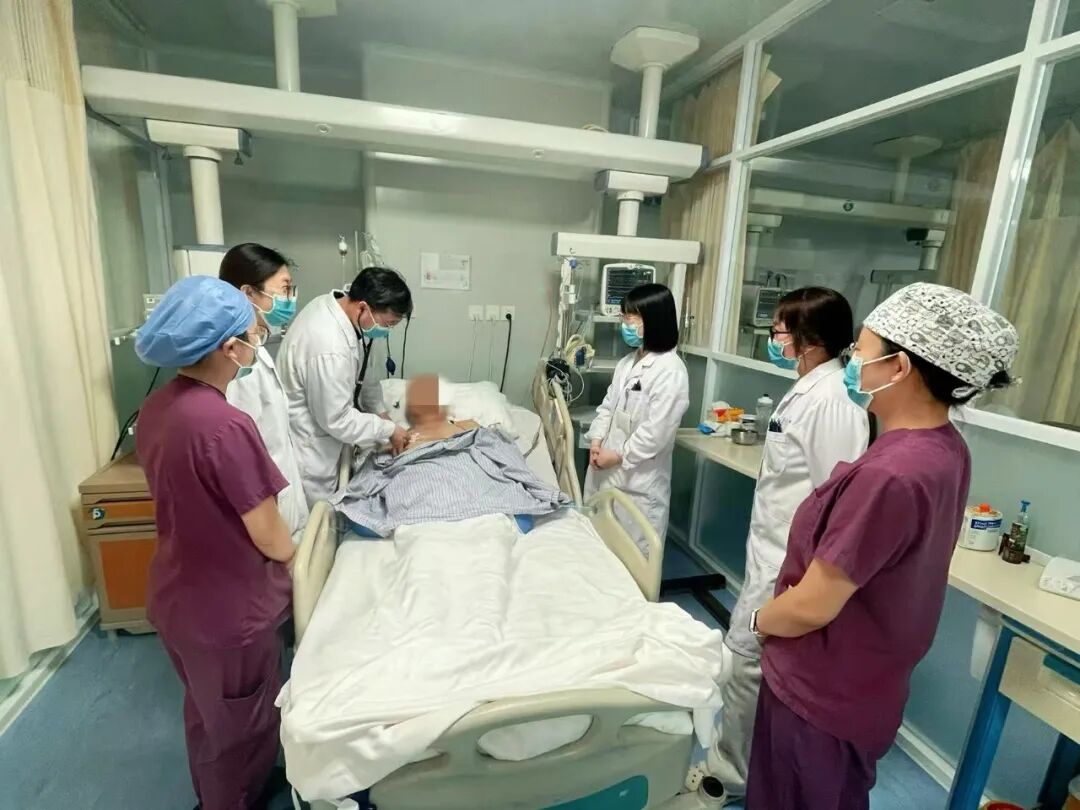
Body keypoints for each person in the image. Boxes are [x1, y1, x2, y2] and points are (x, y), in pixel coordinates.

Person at [745, 283, 1018, 809]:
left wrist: (759, 623)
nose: (851, 362)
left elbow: (813, 606)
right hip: (866, 680)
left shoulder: (890, 474)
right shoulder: (945, 449)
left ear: (899, 367)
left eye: (861, 351)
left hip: (819, 690)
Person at [691, 288, 870, 800]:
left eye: (778, 331)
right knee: (750, 662)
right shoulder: (808, 389)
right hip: (771, 548)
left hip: (789, 563)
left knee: (744, 661)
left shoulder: (833, 401)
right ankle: (746, 767)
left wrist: (807, 579)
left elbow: (835, 499)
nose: (772, 339)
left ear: (809, 339)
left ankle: (729, 776)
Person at [134, 275, 296, 810]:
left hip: (178, 596)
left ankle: (223, 792)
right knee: (239, 727)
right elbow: (270, 535)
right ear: (230, 348)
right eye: (253, 334)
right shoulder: (225, 425)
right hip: (228, 613)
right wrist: (302, 561)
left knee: (207, 714)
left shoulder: (157, 409)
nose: (257, 341)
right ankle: (230, 800)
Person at [279, 267, 412, 506]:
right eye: (388, 324)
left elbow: (367, 378)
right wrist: (387, 430)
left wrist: (384, 417)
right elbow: (337, 419)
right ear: (363, 307)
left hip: (327, 436)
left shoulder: (348, 313)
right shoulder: (329, 345)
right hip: (310, 448)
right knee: (315, 517)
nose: (387, 331)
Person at [584, 283, 689, 554]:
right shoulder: (627, 363)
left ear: (652, 320)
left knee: (634, 560)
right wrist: (596, 441)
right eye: (624, 316)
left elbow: (656, 433)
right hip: (606, 474)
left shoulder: (670, 371)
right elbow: (607, 407)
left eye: (630, 317)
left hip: (639, 486)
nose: (624, 323)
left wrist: (618, 455)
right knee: (600, 554)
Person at [219, 242, 309, 542]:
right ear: (248, 293)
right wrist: (273, 539)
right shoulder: (237, 363)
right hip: (264, 515)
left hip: (281, 499)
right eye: (284, 289)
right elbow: (241, 459)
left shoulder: (257, 347)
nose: (290, 299)